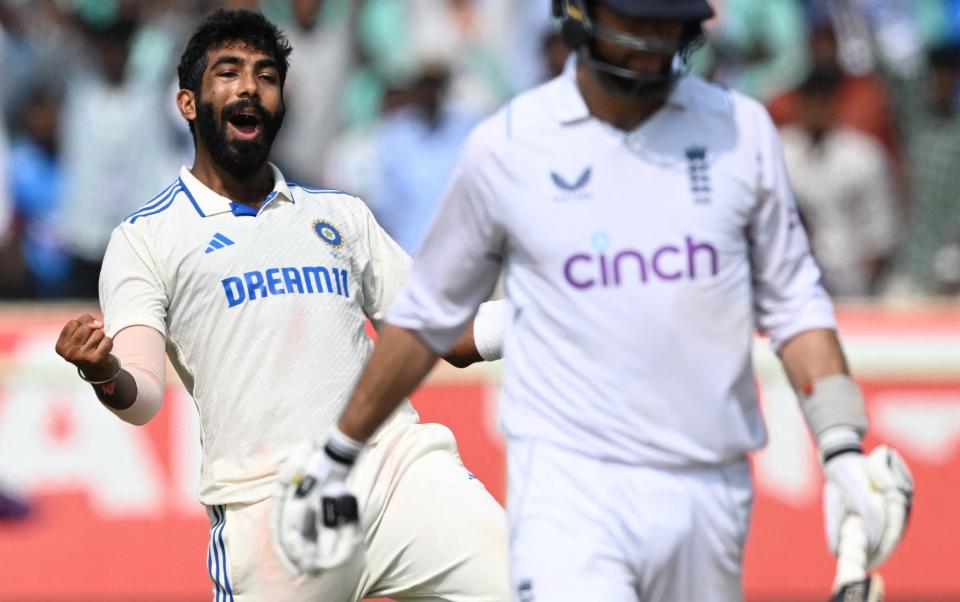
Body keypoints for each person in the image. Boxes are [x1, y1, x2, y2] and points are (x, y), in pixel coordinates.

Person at [272, 1, 914, 601]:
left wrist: (840, 447)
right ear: (580, 15)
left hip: (708, 487)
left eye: (670, 25)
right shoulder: (510, 146)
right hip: (571, 492)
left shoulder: (738, 131)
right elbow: (431, 324)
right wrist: (339, 452)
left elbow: (796, 304)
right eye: (636, 21)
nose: (655, 44)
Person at [53, 9, 509, 602]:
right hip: (270, 507)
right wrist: (104, 371)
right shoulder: (147, 237)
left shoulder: (338, 214)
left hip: (395, 470)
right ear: (188, 103)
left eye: (267, 75)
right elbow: (141, 397)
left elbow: (447, 334)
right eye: (229, 72)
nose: (250, 86)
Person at [778, 68, 899, 297]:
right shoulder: (779, 151)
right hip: (793, 281)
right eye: (810, 102)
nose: (816, 111)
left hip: (852, 283)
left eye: (823, 102)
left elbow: (880, 231)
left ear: (835, 105)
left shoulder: (863, 155)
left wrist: (867, 291)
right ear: (800, 105)